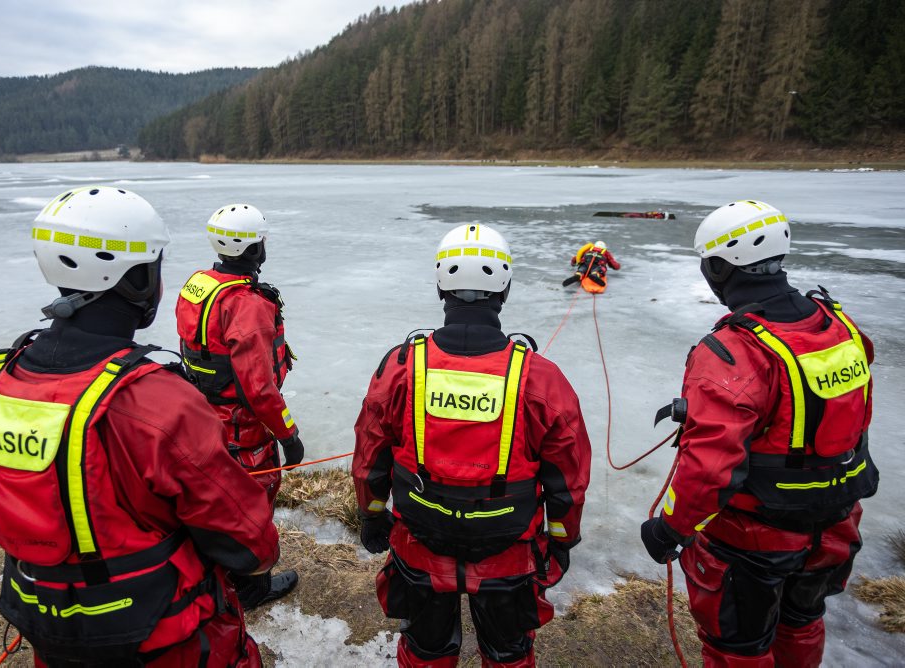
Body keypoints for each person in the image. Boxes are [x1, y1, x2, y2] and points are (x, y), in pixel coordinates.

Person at [0, 186, 279, 667]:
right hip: (161, 633)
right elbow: (246, 538)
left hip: (49, 626)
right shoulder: (156, 403)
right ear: (134, 279)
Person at [640, 200, 878, 667]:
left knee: (739, 648)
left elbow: (709, 467)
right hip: (835, 523)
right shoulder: (839, 326)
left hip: (755, 538)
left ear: (718, 268)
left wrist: (669, 528)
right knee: (801, 621)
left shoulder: (734, 351)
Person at [353, 223, 592, 667]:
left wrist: (370, 516)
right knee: (508, 656)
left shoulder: (401, 367)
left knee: (426, 652)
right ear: (505, 288)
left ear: (441, 284)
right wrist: (562, 540)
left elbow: (371, 457)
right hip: (508, 554)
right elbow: (568, 479)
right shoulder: (540, 378)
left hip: (419, 546)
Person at [175, 203, 301, 609]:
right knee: (252, 501)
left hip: (201, 412)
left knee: (214, 495)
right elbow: (259, 389)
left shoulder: (198, 285)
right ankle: (251, 588)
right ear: (254, 249)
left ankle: (215, 568)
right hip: (240, 425)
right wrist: (289, 434)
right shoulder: (247, 305)